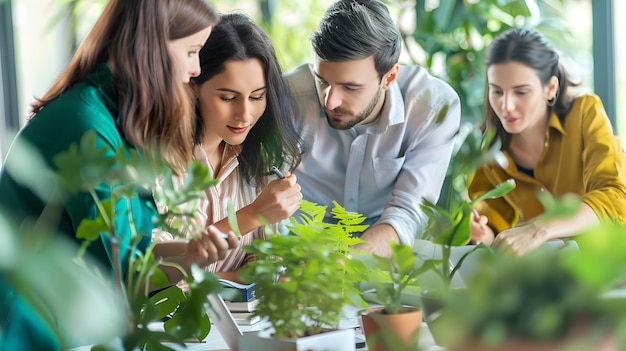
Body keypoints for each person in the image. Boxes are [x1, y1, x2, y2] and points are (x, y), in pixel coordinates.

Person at [0, 1, 239, 349]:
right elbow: (124, 271)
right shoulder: (87, 126)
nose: (195, 69)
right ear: (153, 44)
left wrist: (191, 252)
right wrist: (190, 256)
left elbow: (132, 253)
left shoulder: (109, 116)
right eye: (191, 52)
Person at [284, 0, 461, 257]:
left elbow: (407, 214)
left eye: (350, 87)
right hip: (297, 252)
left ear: (389, 78)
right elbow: (264, 196)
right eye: (322, 81)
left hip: (381, 254)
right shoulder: (288, 98)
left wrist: (341, 266)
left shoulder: (431, 108)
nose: (330, 101)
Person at [154, 13, 303, 282]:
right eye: (228, 98)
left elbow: (267, 268)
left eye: (257, 97)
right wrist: (252, 215)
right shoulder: (156, 161)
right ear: (193, 86)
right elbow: (150, 271)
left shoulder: (260, 158)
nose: (245, 114)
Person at [468, 28, 626, 255]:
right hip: (555, 275)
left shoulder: (585, 113)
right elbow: (495, 223)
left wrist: (538, 230)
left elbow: (615, 196)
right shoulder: (488, 149)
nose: (506, 106)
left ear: (550, 88)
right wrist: (480, 233)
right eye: (497, 92)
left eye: (521, 92)